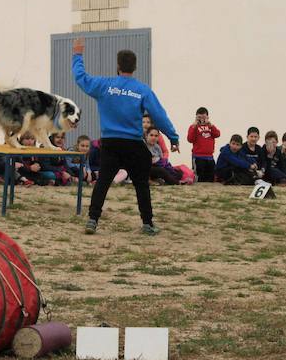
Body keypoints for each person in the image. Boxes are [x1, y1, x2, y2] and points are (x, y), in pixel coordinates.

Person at [72, 38, 179, 235]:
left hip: (111, 143)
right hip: (133, 144)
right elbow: (159, 115)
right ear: (135, 67)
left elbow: (81, 78)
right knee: (141, 184)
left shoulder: (104, 85)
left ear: (118, 66)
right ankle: (147, 223)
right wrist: (173, 137)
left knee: (103, 181)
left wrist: (77, 55)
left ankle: (92, 220)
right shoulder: (142, 90)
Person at [187, 107, 220, 182]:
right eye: (199, 117)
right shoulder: (193, 127)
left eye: (204, 117)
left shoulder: (210, 127)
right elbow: (190, 139)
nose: (202, 119)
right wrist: (194, 126)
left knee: (211, 177)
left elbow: (217, 134)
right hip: (198, 157)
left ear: (207, 117)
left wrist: (211, 125)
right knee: (200, 178)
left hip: (210, 157)